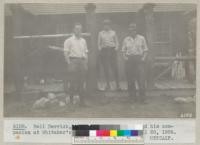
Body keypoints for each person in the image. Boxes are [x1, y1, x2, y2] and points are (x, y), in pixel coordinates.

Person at [122, 23, 148, 103]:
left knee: (141, 80)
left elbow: (146, 50)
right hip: (129, 60)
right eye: (131, 30)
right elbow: (123, 50)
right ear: (129, 31)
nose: (132, 32)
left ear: (136, 30)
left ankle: (142, 98)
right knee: (130, 80)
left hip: (139, 59)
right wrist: (125, 57)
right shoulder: (126, 39)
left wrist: (143, 58)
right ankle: (132, 98)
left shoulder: (141, 38)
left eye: (134, 30)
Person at [64, 23, 88, 105]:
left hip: (82, 61)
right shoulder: (69, 40)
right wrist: (69, 63)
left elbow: (85, 52)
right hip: (73, 61)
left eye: (80, 29)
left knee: (82, 82)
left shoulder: (83, 41)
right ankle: (71, 101)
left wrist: (85, 62)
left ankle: (82, 102)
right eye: (77, 29)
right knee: (72, 82)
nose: (78, 31)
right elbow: (66, 53)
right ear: (74, 30)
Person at [98, 19, 120, 90]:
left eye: (107, 24)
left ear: (109, 25)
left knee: (114, 68)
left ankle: (118, 85)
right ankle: (108, 85)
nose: (106, 26)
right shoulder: (101, 33)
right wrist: (101, 49)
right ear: (103, 25)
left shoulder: (113, 32)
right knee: (106, 68)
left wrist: (115, 49)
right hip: (104, 51)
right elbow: (98, 43)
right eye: (105, 25)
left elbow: (117, 42)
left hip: (112, 50)